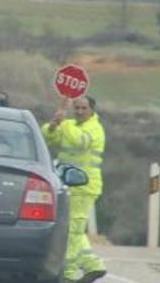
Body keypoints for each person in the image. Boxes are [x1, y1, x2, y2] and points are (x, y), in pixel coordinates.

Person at [42, 96, 107, 283]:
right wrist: (53, 125)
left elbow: (80, 141)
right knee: (72, 229)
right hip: (66, 184)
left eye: (83, 108)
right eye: (76, 108)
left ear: (92, 110)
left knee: (72, 232)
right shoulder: (71, 124)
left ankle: (68, 274)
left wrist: (64, 123)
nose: (79, 111)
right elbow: (48, 137)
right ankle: (93, 264)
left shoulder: (95, 129)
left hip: (85, 187)